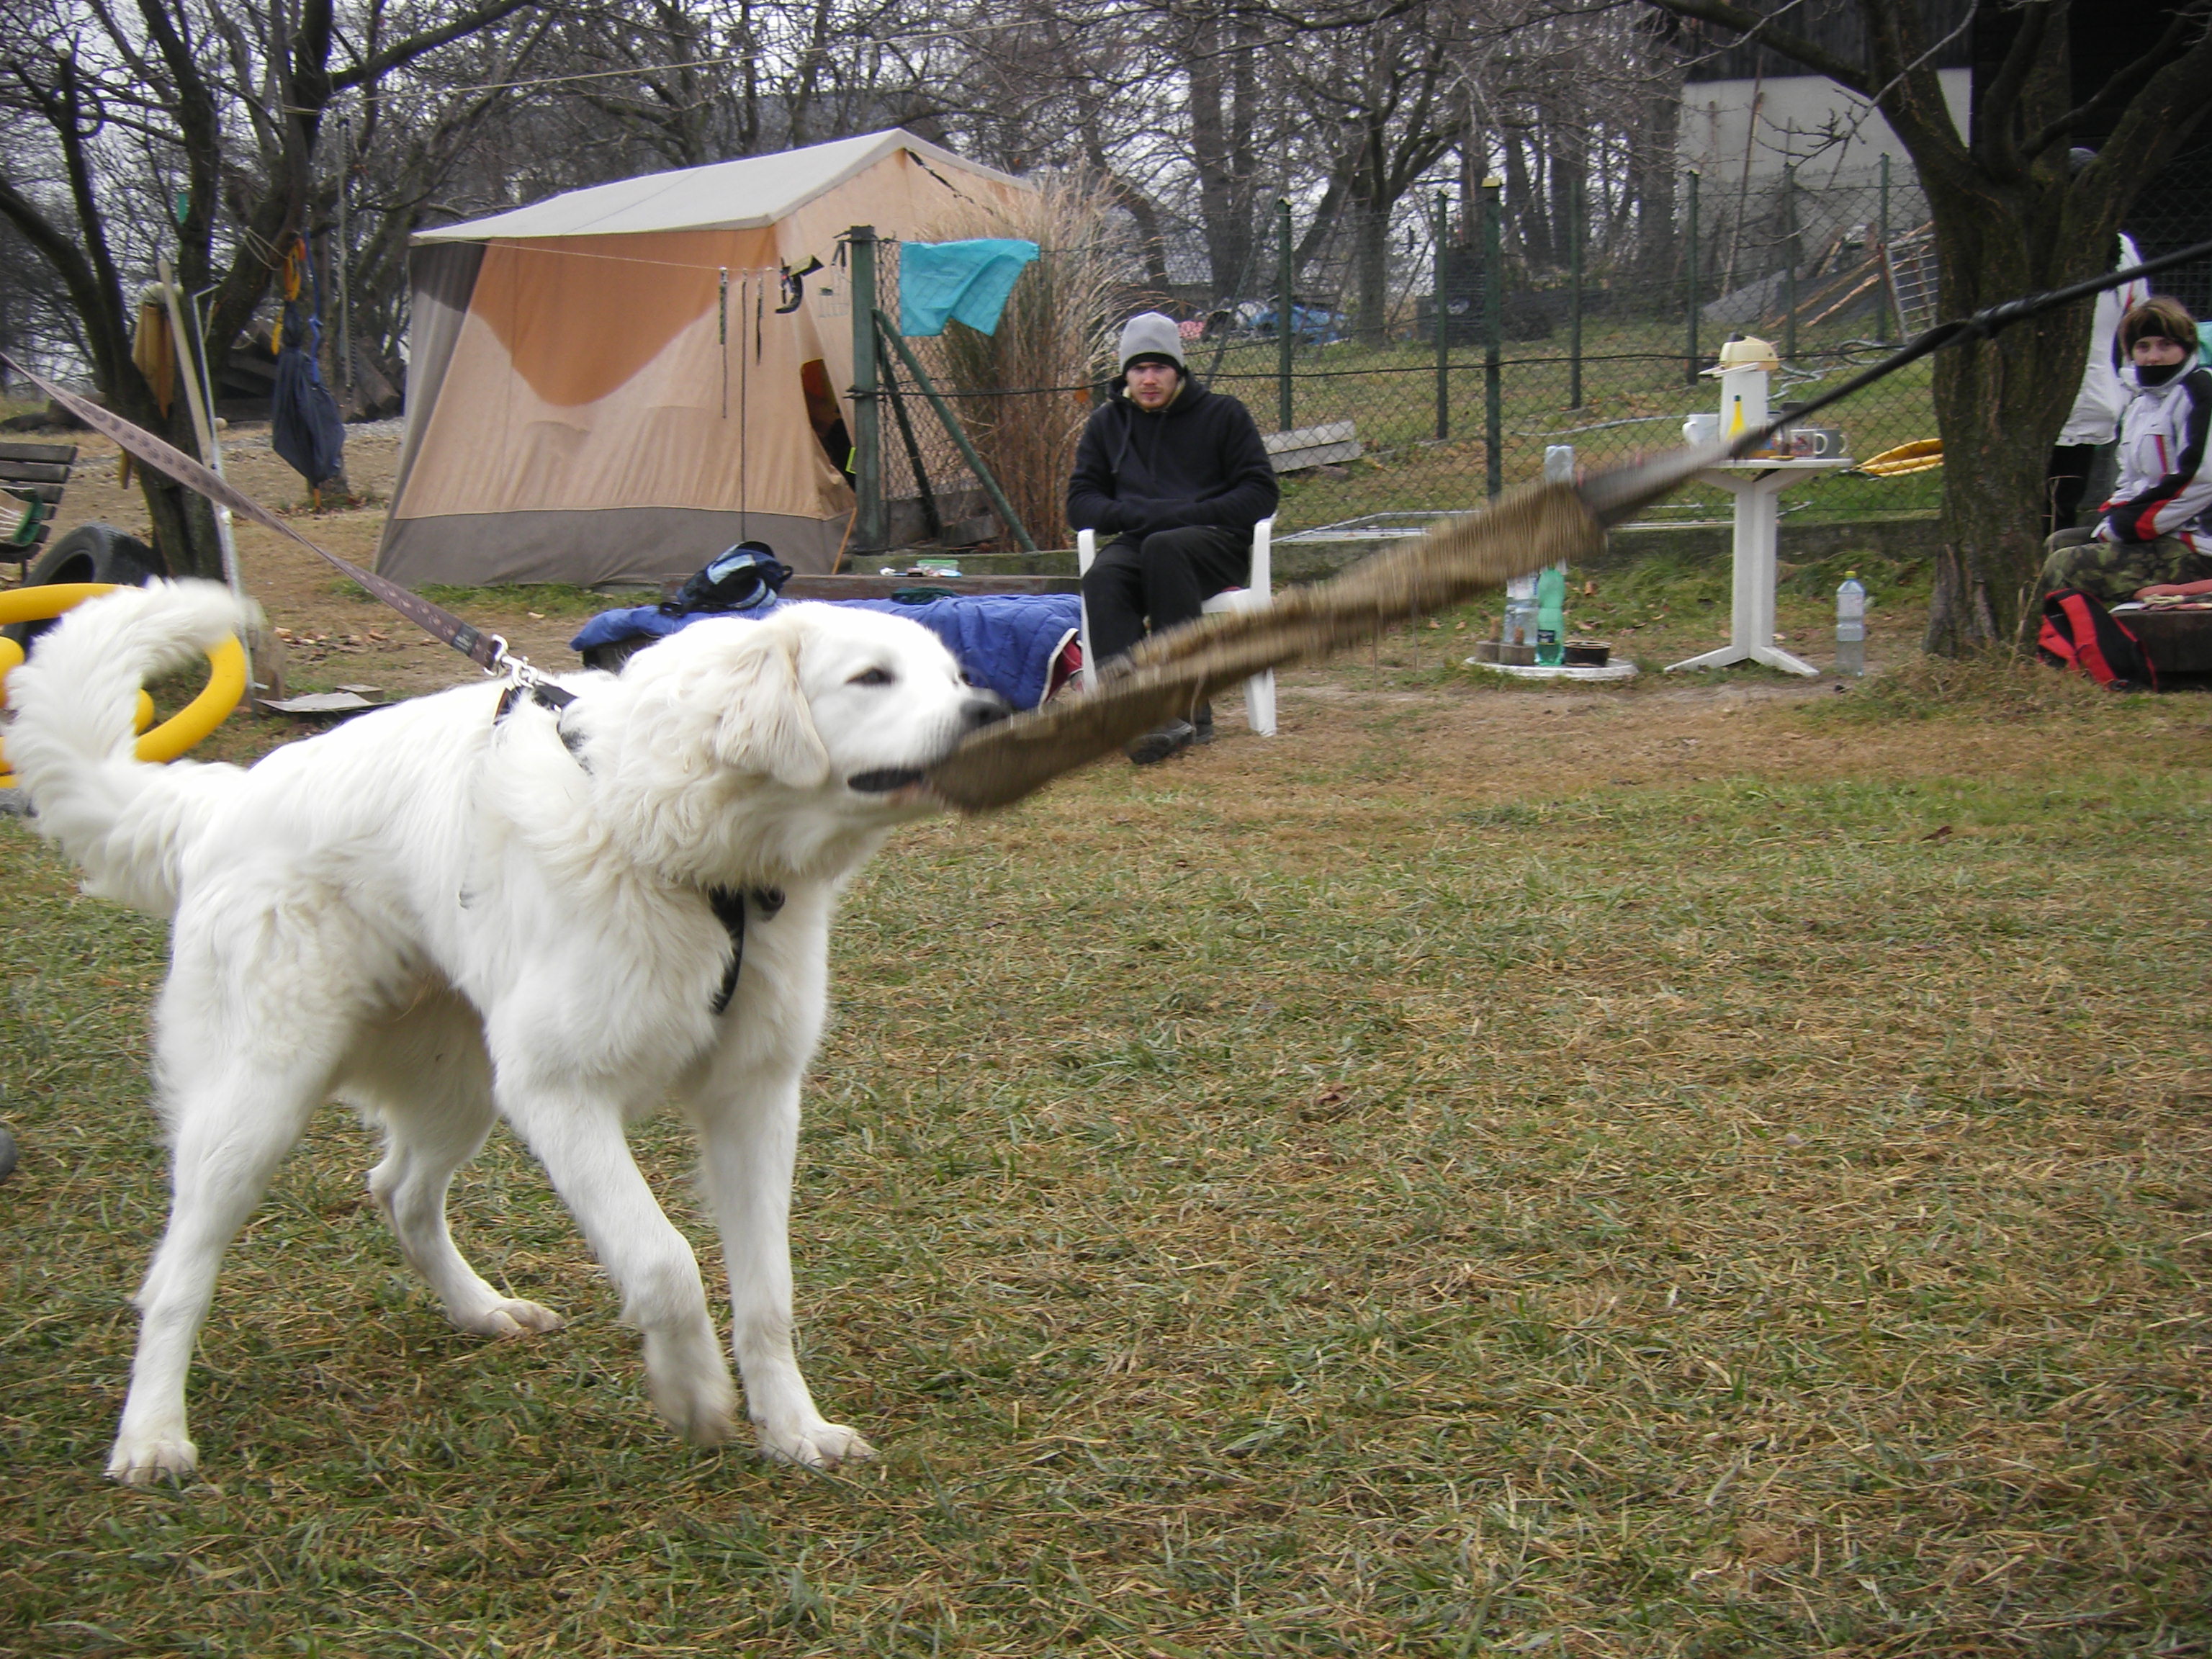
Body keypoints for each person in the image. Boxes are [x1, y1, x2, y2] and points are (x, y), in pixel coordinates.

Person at [1069, 312, 1279, 764]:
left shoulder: (1223, 414)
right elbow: (1080, 503)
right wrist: (1136, 513)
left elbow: (1261, 493)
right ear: (1125, 374)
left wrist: (1188, 514)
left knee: (1167, 548)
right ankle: (1133, 714)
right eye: (1138, 369)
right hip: (1140, 536)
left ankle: (1187, 706)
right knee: (1103, 577)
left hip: (1214, 541)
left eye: (1159, 368)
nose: (1148, 379)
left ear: (1178, 371)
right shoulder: (1107, 424)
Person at [2038, 295, 2212, 604]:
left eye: (2165, 345)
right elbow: (2130, 483)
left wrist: (2125, 526)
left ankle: (2084, 648)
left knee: (2066, 565)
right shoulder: (2140, 405)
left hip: (2198, 545)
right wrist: (2112, 520)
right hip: (2160, 534)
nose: (2153, 357)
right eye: (2143, 347)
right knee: (2058, 543)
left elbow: (2200, 480)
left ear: (2186, 348)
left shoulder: (2201, 392)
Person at [2044, 224, 2148, 536]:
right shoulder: (2028, 245)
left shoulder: (2120, 250)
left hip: (2084, 405)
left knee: (2057, 506)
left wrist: (2130, 383)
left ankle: (2047, 576)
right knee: (2052, 506)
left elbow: (2141, 317)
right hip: (2076, 402)